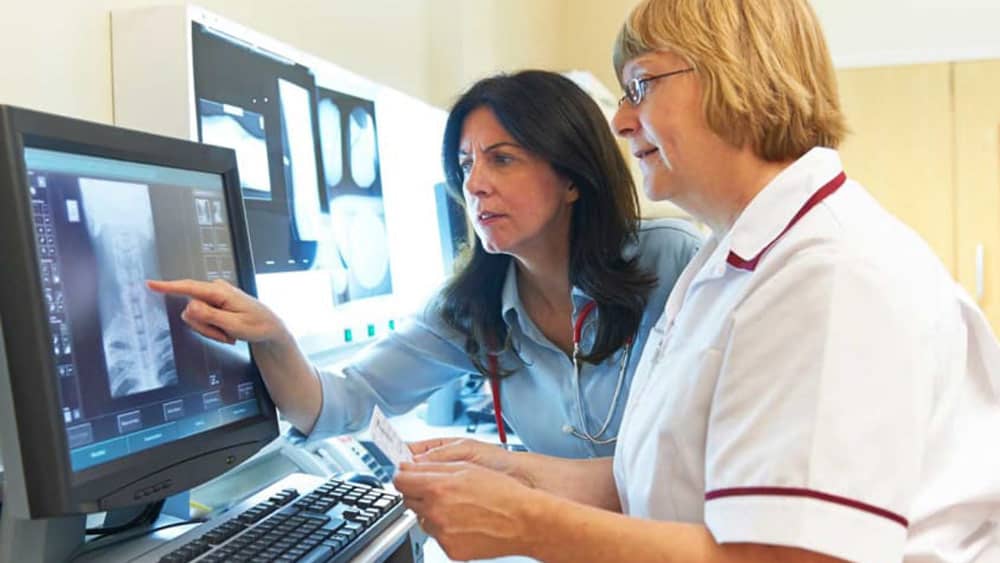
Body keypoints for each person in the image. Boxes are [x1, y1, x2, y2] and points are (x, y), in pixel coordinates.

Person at [393, 1, 1000, 561]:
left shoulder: (830, 274)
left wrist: (526, 523)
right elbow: (661, 479)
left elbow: (789, 558)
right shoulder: (725, 264)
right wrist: (510, 474)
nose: (622, 122)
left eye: (640, 86)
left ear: (734, 73)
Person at [148, 70, 702, 459]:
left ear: (573, 177)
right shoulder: (471, 306)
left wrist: (522, 480)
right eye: (465, 164)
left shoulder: (671, 261)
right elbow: (343, 405)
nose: (474, 184)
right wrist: (273, 337)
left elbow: (705, 458)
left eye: (502, 159)